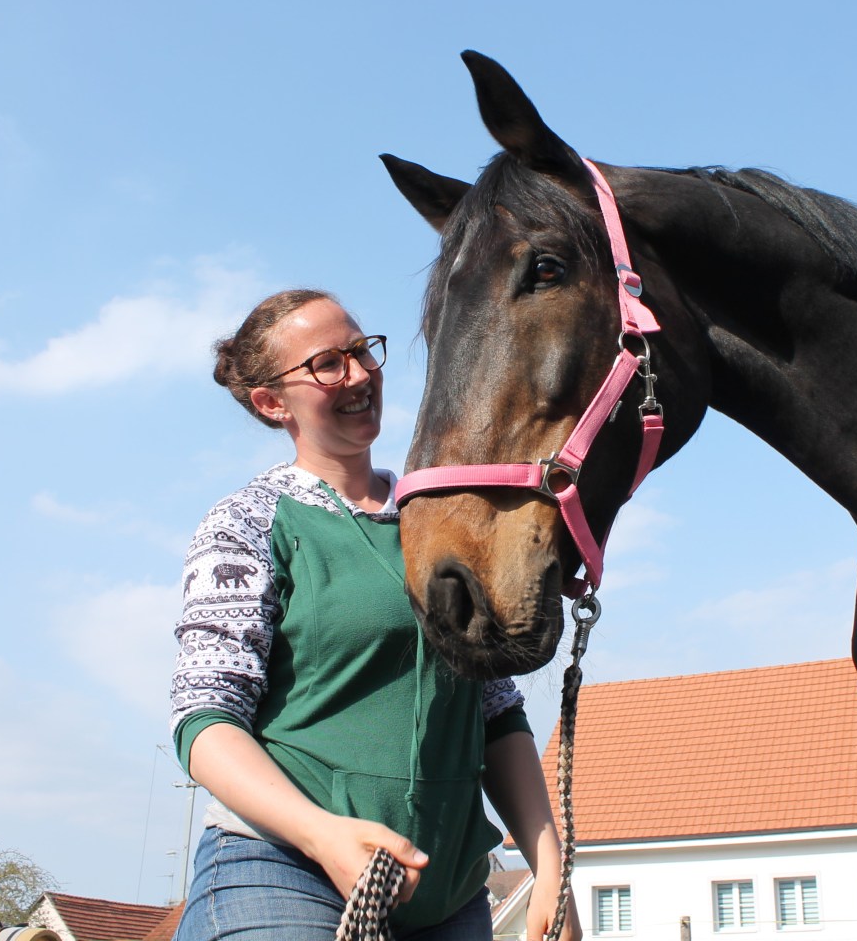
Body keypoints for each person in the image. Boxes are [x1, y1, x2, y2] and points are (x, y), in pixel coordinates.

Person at [170, 288, 581, 941]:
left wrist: (549, 863)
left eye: (363, 351)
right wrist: (322, 835)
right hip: (285, 870)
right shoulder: (247, 522)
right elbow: (205, 720)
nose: (360, 374)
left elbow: (495, 710)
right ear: (273, 403)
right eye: (327, 364)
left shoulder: (443, 516)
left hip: (447, 894)